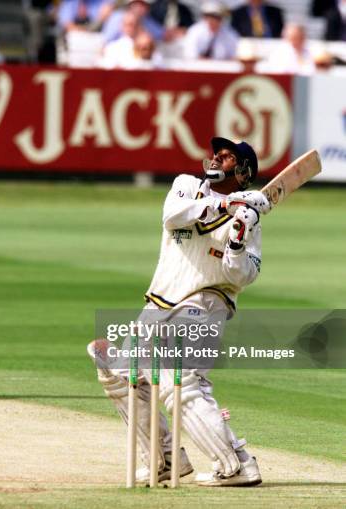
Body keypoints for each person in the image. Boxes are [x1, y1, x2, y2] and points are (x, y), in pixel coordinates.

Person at [88, 137, 269, 486]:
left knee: (180, 382)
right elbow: (172, 217)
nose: (217, 156)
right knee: (118, 374)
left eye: (228, 156)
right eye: (217, 151)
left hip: (205, 304)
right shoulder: (186, 186)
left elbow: (242, 276)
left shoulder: (249, 219)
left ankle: (236, 464)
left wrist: (237, 240)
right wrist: (227, 205)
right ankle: (164, 459)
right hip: (159, 304)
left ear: (244, 172)